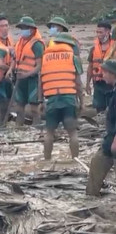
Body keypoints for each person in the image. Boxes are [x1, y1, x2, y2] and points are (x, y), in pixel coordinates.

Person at [40, 33, 83, 161]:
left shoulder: (45, 58)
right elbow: (78, 83)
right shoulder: (73, 57)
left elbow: (41, 81)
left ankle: (46, 161)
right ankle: (76, 161)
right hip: (69, 100)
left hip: (51, 100)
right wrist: (82, 102)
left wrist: (40, 101)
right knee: (73, 133)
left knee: (49, 133)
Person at [86, 60, 116, 196]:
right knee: (97, 162)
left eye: (104, 72)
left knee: (98, 162)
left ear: (112, 74)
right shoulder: (112, 92)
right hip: (109, 142)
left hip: (113, 143)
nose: (102, 74)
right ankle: (91, 201)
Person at [9, 16, 44, 126]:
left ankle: (36, 127)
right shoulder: (20, 42)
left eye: (25, 28)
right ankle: (18, 127)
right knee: (19, 107)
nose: (23, 30)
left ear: (32, 29)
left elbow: (40, 65)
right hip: (19, 79)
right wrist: (11, 69)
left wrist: (26, 74)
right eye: (22, 28)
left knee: (34, 108)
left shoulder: (37, 44)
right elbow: (15, 59)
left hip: (32, 79)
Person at [86, 21, 114, 113]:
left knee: (113, 107)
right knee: (99, 107)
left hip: (112, 83)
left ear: (108, 32)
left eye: (101, 32)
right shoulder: (94, 48)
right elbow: (90, 66)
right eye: (97, 32)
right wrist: (87, 84)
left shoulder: (115, 47)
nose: (99, 35)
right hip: (98, 83)